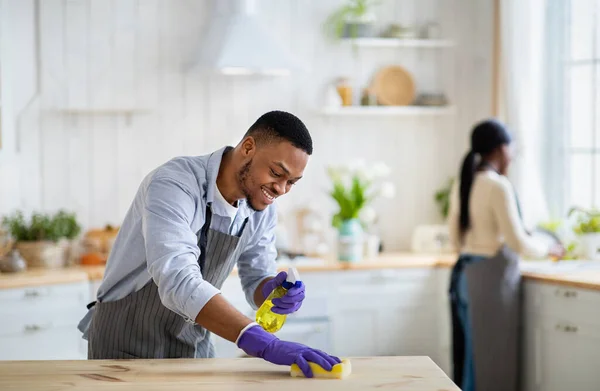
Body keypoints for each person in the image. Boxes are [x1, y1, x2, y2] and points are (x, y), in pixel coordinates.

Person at [77, 110, 340, 378]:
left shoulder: (262, 210)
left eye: (291, 183)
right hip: (124, 347)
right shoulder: (174, 185)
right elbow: (178, 279)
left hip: (192, 348)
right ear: (248, 147)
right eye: (276, 173)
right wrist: (262, 342)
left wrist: (272, 292)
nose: (281, 190)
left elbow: (256, 279)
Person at [446, 119, 564, 391]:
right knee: (490, 361)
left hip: (464, 276)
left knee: (470, 358)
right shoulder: (497, 186)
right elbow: (517, 241)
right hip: (489, 280)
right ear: (501, 150)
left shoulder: (464, 182)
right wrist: (550, 249)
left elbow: (454, 238)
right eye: (510, 148)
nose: (511, 155)